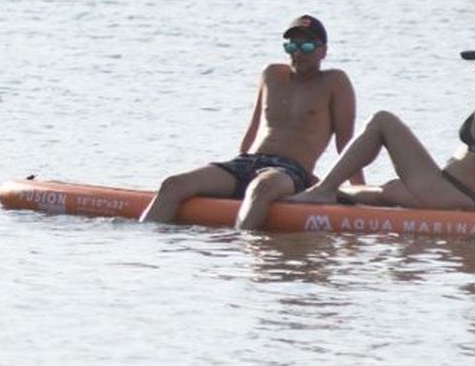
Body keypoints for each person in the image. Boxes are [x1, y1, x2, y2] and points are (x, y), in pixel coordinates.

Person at [290, 34, 475, 228]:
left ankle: (322, 190)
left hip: (450, 192)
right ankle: (325, 192)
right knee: (389, 190)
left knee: (382, 120)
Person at [140, 14, 358, 230]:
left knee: (260, 188)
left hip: (290, 172)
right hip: (247, 162)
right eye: (292, 47)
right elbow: (254, 129)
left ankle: (241, 254)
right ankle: (143, 245)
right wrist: (236, 165)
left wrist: (359, 193)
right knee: (173, 184)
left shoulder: (334, 82)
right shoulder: (271, 75)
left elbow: (347, 146)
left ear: (323, 51)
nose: (298, 53)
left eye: (307, 46)